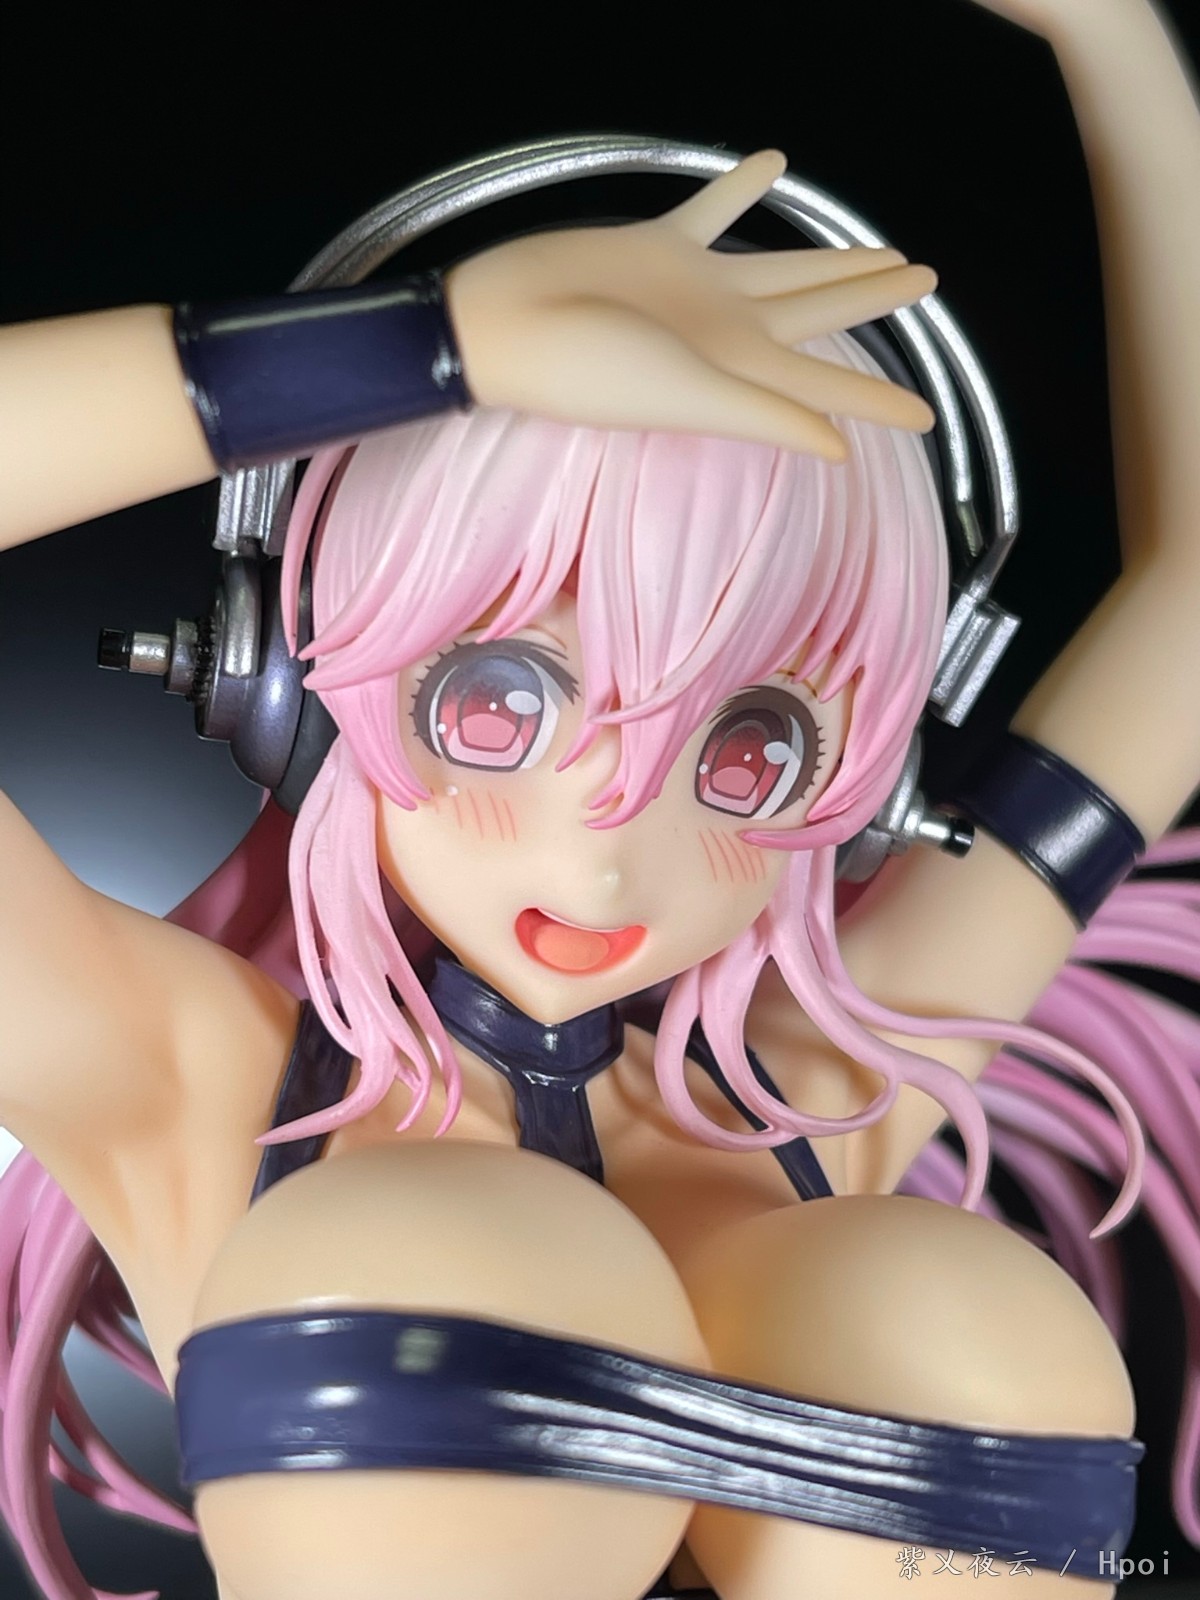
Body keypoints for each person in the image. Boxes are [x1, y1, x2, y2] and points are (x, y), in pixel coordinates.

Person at [0, 1, 1197, 1596]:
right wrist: (430, 351)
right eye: (501, 706)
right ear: (284, 686)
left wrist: (1120, 49)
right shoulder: (186, 1078)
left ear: (871, 785)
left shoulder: (823, 1083)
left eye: (751, 748)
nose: (608, 849)